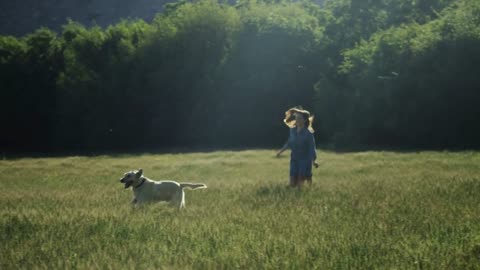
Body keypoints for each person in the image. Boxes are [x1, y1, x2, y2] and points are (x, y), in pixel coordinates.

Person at [276, 107, 318, 188]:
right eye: (296, 118)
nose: (297, 120)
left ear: (304, 120)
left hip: (305, 160)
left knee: (300, 185)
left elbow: (312, 147)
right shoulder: (292, 131)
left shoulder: (308, 133)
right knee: (292, 184)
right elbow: (289, 143)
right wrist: (280, 151)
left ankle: (308, 187)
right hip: (294, 159)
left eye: (299, 118)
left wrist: (314, 160)